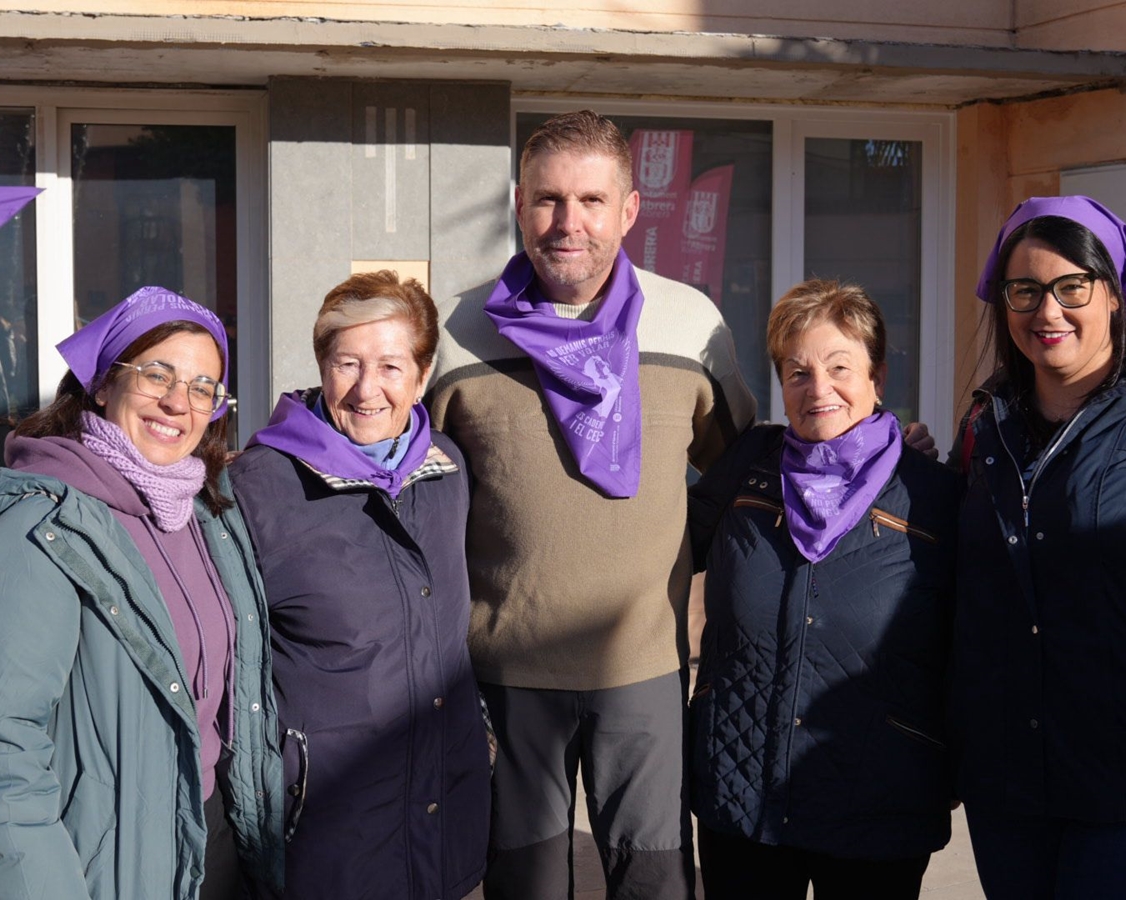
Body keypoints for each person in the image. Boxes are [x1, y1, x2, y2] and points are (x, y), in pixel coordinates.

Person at [425, 109, 758, 899]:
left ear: (630, 210)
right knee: (526, 885)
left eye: (591, 201)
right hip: (508, 677)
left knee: (653, 883)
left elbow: (743, 469)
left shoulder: (690, 324)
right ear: (518, 203)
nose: (566, 223)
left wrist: (882, 455)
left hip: (643, 669)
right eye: (547, 201)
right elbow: (406, 470)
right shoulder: (460, 332)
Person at [951, 195, 1126, 899]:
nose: (1048, 311)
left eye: (1072, 287)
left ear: (1117, 294)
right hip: (1010, 792)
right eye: (1025, 290)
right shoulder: (985, 427)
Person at [0, 286, 282, 900]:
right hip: (106, 864)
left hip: (214, 843)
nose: (179, 402)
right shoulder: (44, 519)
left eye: (204, 387)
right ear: (103, 384)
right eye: (158, 374)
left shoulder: (207, 513)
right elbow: (6, 743)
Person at [686, 280, 958, 899]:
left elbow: (970, 643)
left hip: (879, 801)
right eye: (797, 371)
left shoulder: (933, 495)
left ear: (877, 378)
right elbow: (661, 552)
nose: (819, 389)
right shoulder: (750, 463)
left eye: (840, 367)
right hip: (743, 791)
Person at [229, 270, 491, 900]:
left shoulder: (447, 468)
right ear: (322, 366)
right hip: (331, 812)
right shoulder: (258, 486)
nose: (367, 389)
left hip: (446, 795)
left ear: (423, 376)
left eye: (391, 366)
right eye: (347, 363)